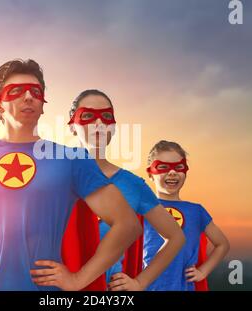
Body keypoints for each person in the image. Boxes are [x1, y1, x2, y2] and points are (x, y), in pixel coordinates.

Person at [0, 59, 142, 291]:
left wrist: (78, 280)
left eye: (36, 92)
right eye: (16, 91)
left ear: (42, 105)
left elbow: (127, 224)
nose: (28, 96)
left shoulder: (71, 159)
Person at [62, 90, 185, 291]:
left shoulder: (132, 184)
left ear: (113, 127)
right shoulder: (52, 175)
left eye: (106, 117)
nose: (99, 123)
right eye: (88, 116)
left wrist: (139, 282)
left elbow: (175, 237)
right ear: (72, 126)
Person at [144, 140, 230, 290]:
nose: (172, 172)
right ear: (150, 174)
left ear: (185, 172)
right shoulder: (142, 209)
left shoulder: (196, 212)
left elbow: (222, 244)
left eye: (178, 167)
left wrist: (203, 271)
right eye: (163, 167)